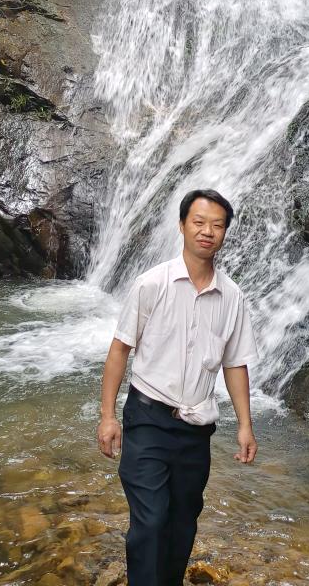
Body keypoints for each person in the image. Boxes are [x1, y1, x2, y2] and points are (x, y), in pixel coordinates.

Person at [97, 188, 260, 586]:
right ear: (182, 226)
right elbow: (120, 350)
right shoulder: (152, 284)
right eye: (199, 223)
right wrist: (107, 416)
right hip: (148, 418)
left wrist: (245, 425)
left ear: (224, 233)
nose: (208, 231)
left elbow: (234, 363)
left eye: (217, 225)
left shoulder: (232, 297)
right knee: (151, 520)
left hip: (195, 429)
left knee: (183, 521)